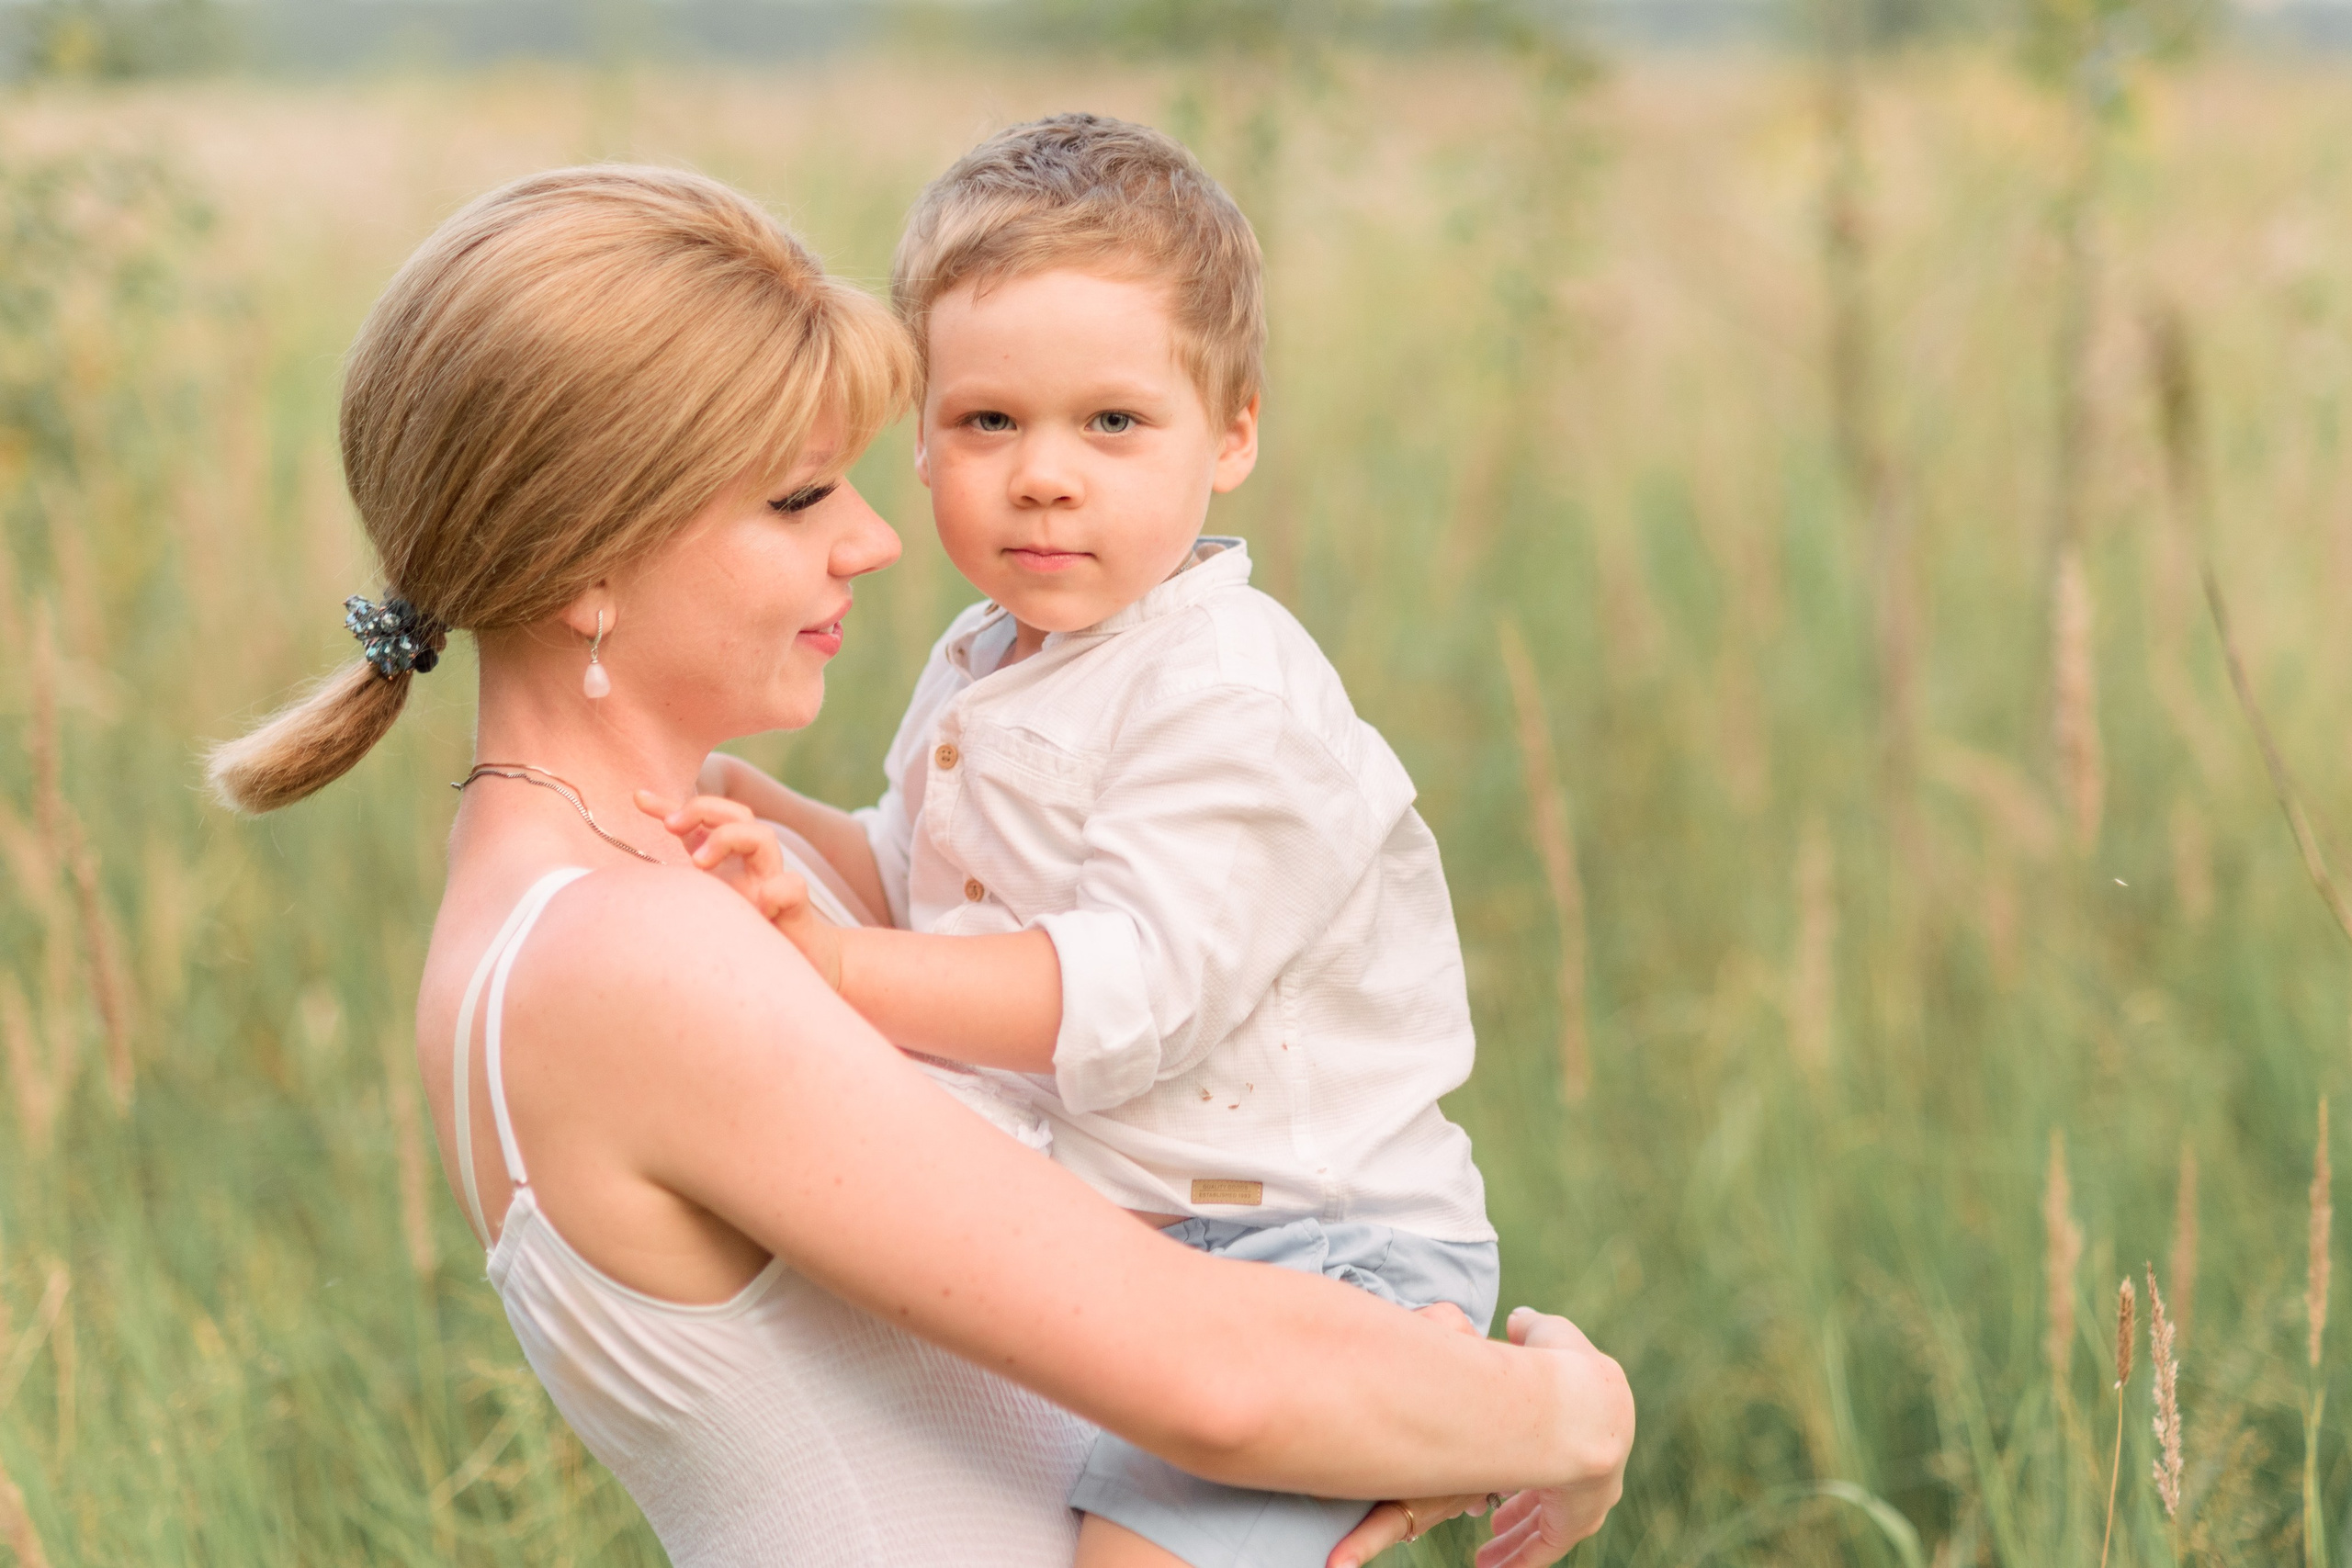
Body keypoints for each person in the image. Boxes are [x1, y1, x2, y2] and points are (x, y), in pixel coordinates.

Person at [207, 163, 1633, 1568]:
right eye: (799, 498)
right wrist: (1562, 1412)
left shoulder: (646, 863)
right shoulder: (625, 953)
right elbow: (1221, 1382)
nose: (879, 539)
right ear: (590, 560)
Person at [671, 112, 1501, 1568]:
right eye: (990, 422)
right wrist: (783, 826)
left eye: (1113, 423)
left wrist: (840, 968)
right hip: (1128, 1237)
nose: (1045, 475)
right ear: (920, 439)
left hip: (1317, 1249)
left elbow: (1122, 988)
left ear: (1232, 431)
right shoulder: (990, 654)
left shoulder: (1230, 697)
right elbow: (939, 898)